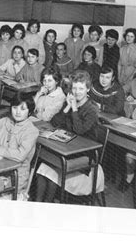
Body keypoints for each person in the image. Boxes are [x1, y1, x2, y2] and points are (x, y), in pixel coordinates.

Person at [34, 71, 104, 202]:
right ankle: (40, 205)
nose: (77, 92)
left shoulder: (92, 109)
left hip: (85, 154)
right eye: (75, 88)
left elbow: (79, 130)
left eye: (81, 88)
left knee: (49, 170)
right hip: (67, 148)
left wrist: (74, 109)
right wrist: (67, 107)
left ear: (88, 89)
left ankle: (46, 205)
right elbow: (55, 122)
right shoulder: (71, 102)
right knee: (43, 166)